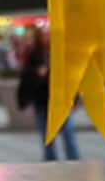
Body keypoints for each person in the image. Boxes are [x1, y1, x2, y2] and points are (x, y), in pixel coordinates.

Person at [17, 24, 79, 162]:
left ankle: (74, 159)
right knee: (47, 135)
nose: (47, 38)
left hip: (61, 100)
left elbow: (71, 76)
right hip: (43, 99)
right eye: (44, 35)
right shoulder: (35, 55)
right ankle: (50, 159)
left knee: (68, 133)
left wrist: (74, 98)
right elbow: (27, 77)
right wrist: (37, 75)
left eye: (49, 35)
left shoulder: (61, 53)